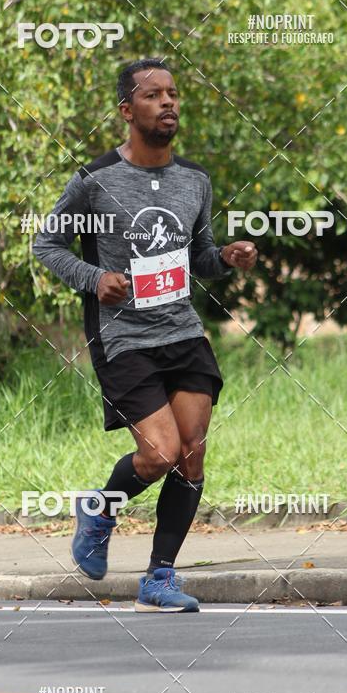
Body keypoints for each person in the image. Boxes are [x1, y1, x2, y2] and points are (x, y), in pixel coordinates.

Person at [33, 57, 257, 612]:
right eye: (154, 95)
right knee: (159, 452)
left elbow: (199, 257)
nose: (169, 103)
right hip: (123, 337)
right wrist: (94, 278)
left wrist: (226, 257)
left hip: (182, 331)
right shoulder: (94, 182)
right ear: (127, 110)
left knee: (192, 456)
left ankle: (158, 579)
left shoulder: (194, 180)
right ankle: (100, 506)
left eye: (174, 93)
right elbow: (45, 245)